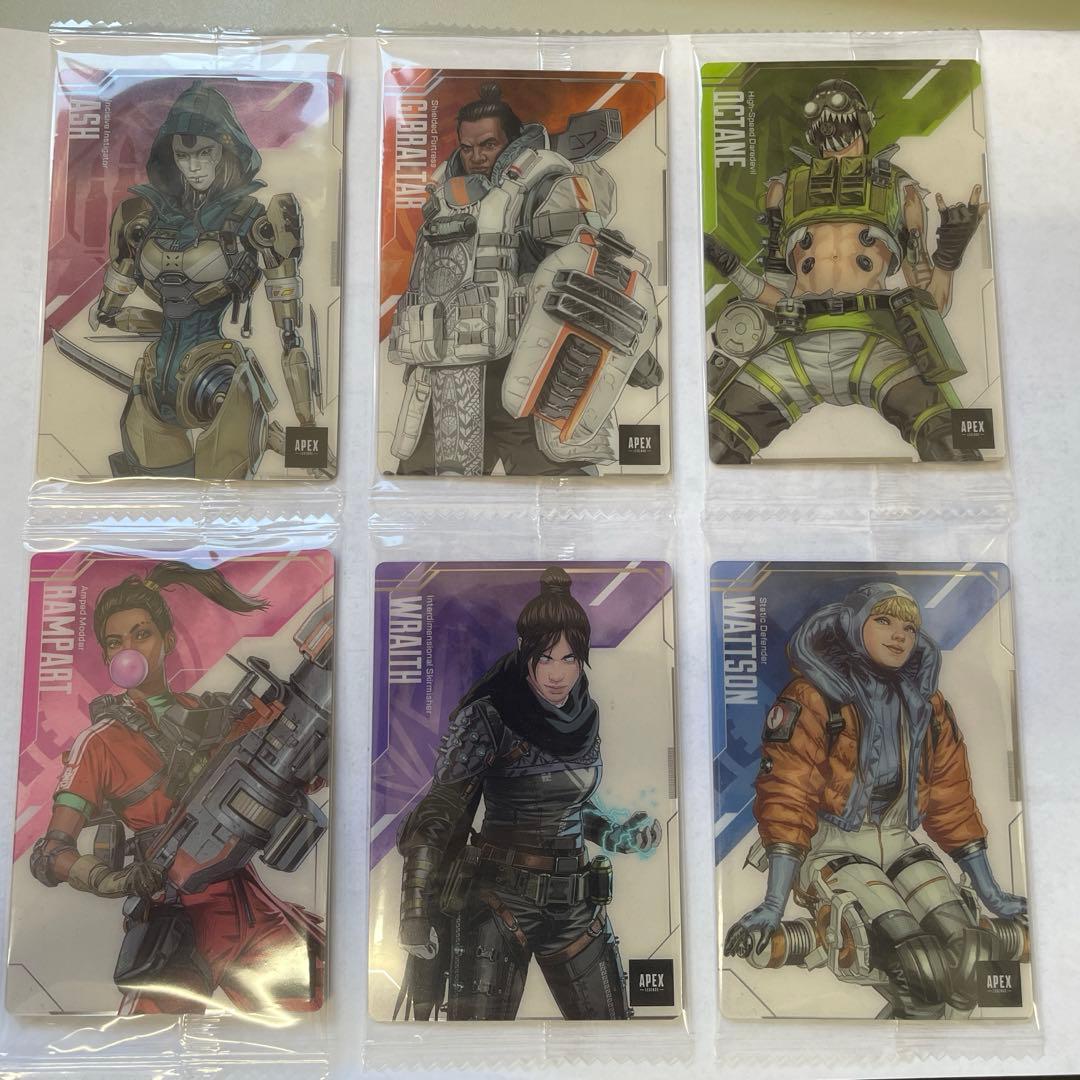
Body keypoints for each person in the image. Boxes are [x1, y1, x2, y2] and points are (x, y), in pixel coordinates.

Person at [29, 563, 325, 1015]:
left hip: (245, 900)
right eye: (116, 642)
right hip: (176, 914)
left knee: (322, 998)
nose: (130, 650)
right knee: (149, 1041)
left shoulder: (211, 713)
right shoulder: (100, 742)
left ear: (167, 640)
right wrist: (117, 879)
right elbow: (50, 854)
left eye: (141, 634)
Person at [724, 581, 1026, 1017]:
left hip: (899, 841)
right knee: (914, 960)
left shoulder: (927, 706)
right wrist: (774, 903)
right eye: (883, 620)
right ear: (851, 624)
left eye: (909, 626)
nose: (899, 635)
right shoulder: (812, 697)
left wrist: (992, 894)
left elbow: (952, 797)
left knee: (969, 953)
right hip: (829, 847)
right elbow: (788, 796)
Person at [394, 566, 661, 1020]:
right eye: (545, 658)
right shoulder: (490, 716)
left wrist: (617, 834)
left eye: (570, 659)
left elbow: (570, 806)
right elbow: (440, 810)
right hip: (501, 900)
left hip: (576, 903)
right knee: (474, 1046)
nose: (558, 674)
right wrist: (415, 908)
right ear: (524, 651)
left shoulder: (586, 715)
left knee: (614, 1039)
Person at [704, 78, 987, 463]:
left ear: (863, 123)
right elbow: (778, 296)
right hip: (797, 346)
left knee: (950, 443)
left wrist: (949, 254)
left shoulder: (900, 191)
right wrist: (733, 268)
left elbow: (931, 302)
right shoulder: (784, 191)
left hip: (874, 342)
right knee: (714, 444)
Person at [388, 83, 662, 476]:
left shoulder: (547, 186)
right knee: (422, 493)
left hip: (530, 374)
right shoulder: (443, 200)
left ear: (512, 141)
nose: (476, 157)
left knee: (563, 495)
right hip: (448, 379)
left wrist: (634, 358)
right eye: (467, 147)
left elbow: (589, 276)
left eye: (488, 145)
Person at [80, 81, 319, 478]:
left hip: (219, 380)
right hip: (153, 381)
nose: (192, 166)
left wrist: (307, 429)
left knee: (225, 499)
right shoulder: (142, 216)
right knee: (152, 499)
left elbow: (291, 336)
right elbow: (108, 310)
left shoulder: (258, 221)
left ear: (225, 151)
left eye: (203, 153)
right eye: (183, 155)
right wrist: (113, 314)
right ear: (170, 156)